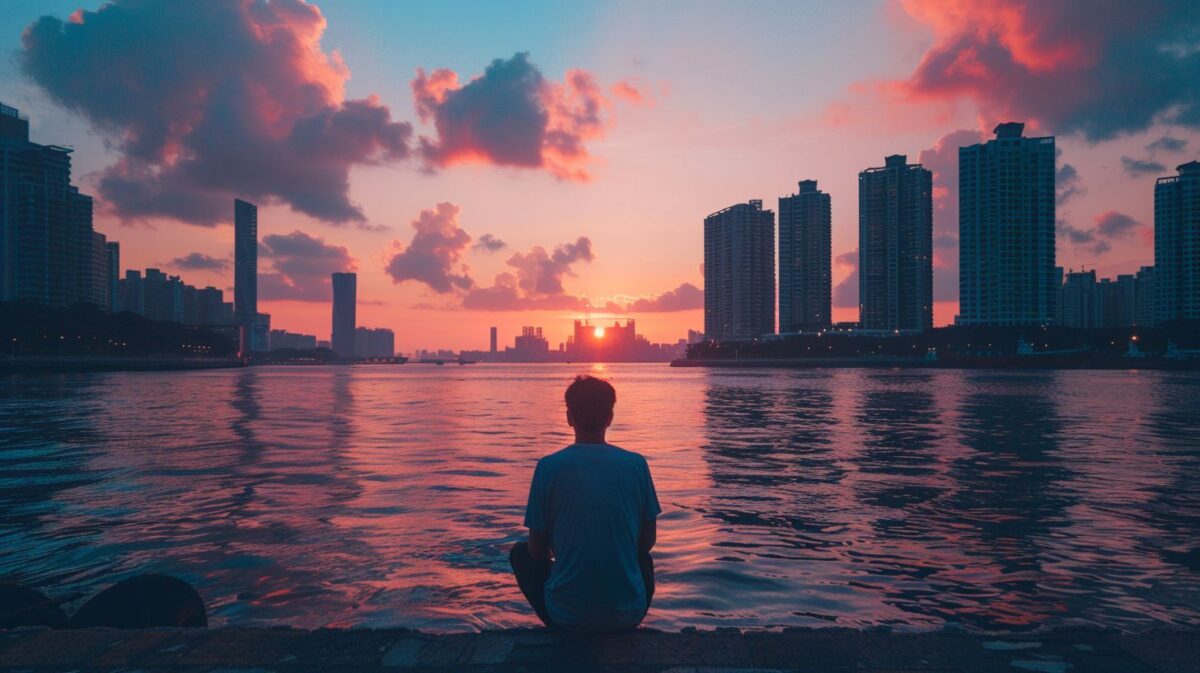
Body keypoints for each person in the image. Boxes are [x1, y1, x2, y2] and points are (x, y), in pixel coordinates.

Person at [509, 375, 662, 632]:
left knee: (520, 553)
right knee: (643, 560)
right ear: (610, 417)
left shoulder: (548, 467)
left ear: (569, 417)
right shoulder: (636, 464)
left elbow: (536, 552)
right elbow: (646, 543)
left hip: (565, 616)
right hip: (629, 614)